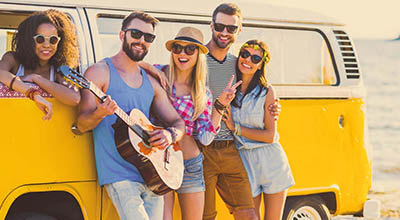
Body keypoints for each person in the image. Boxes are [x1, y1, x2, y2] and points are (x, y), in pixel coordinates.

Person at [76, 11, 185, 220]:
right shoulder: (99, 73)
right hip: (119, 174)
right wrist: (100, 113)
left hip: (153, 173)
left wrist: (170, 136)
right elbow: (81, 124)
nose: (141, 41)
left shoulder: (152, 82)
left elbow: (177, 122)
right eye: (136, 33)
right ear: (121, 35)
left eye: (148, 37)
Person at [143, 27, 241, 220]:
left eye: (190, 49)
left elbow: (205, 138)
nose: (182, 53)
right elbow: (130, 62)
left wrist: (220, 106)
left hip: (190, 165)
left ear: (198, 54)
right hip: (159, 161)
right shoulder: (157, 74)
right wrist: (151, 68)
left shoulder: (201, 93)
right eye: (178, 48)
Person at [202, 3, 280, 220]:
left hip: (230, 149)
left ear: (239, 31)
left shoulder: (239, 64)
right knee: (206, 216)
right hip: (202, 149)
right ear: (212, 25)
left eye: (231, 28)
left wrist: (274, 106)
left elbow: (259, 88)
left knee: (249, 215)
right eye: (220, 26)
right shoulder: (196, 58)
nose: (225, 32)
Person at [224, 40, 295, 220]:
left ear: (261, 64)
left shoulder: (267, 91)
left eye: (255, 58)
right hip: (244, 162)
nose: (248, 60)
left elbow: (270, 136)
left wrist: (236, 128)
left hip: (271, 162)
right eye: (244, 54)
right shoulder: (230, 89)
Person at [0, 9, 80, 111]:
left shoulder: (58, 70)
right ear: (29, 40)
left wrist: (36, 78)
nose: (47, 45)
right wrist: (32, 93)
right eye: (40, 39)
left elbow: (75, 98)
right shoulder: (13, 59)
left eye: (53, 40)